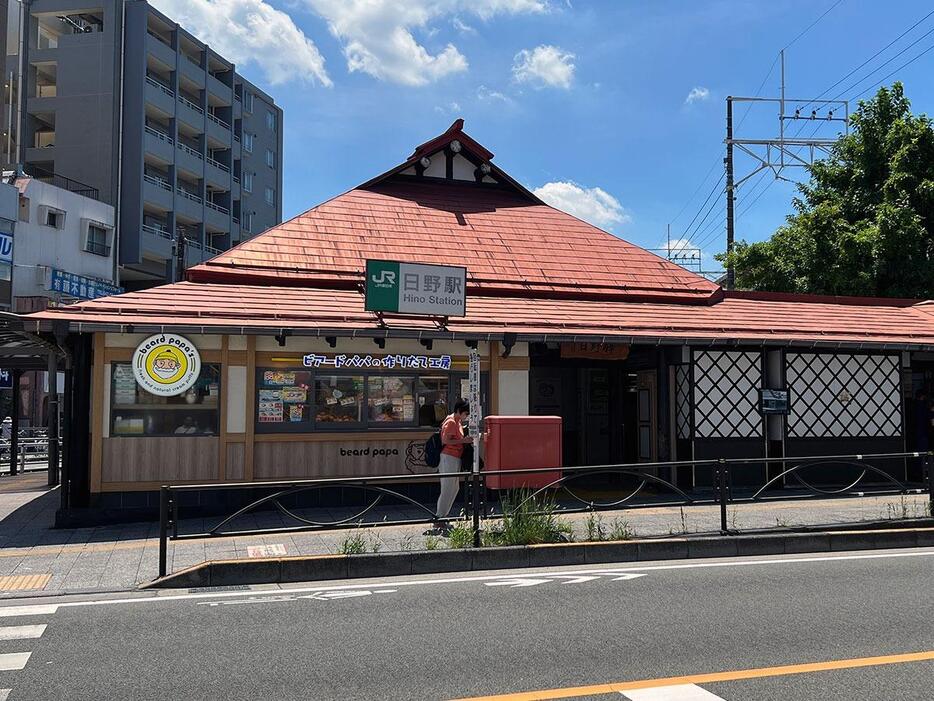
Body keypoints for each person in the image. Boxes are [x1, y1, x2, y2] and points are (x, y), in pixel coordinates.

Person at [435, 399, 473, 526]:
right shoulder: (451, 422)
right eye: (465, 413)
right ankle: (439, 517)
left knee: (454, 487)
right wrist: (463, 441)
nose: (466, 416)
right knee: (447, 487)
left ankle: (443, 515)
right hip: (448, 457)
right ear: (458, 410)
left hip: (455, 457)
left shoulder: (458, 422)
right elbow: (446, 441)